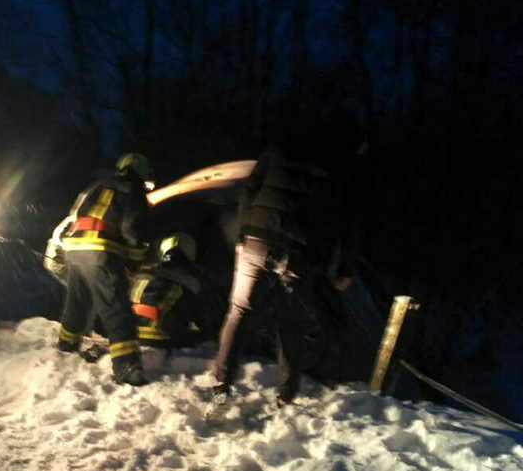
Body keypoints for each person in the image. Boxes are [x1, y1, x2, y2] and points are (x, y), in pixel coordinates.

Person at [209, 145, 357, 412]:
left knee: (239, 312)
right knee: (292, 323)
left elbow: (249, 188)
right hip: (302, 250)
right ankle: (286, 396)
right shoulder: (340, 170)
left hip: (258, 239)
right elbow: (346, 224)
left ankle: (221, 387)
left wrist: (243, 231)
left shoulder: (277, 153)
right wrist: (344, 270)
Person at [57, 152, 153, 385]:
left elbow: (74, 214)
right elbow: (132, 229)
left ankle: (66, 344)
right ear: (141, 173)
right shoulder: (134, 189)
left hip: (74, 247)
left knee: (78, 299)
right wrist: (136, 258)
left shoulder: (96, 185)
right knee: (116, 307)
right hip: (100, 250)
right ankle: (126, 367)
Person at [131, 232, 213, 350]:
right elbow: (200, 315)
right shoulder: (189, 279)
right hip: (161, 338)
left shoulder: (146, 272)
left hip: (131, 335)